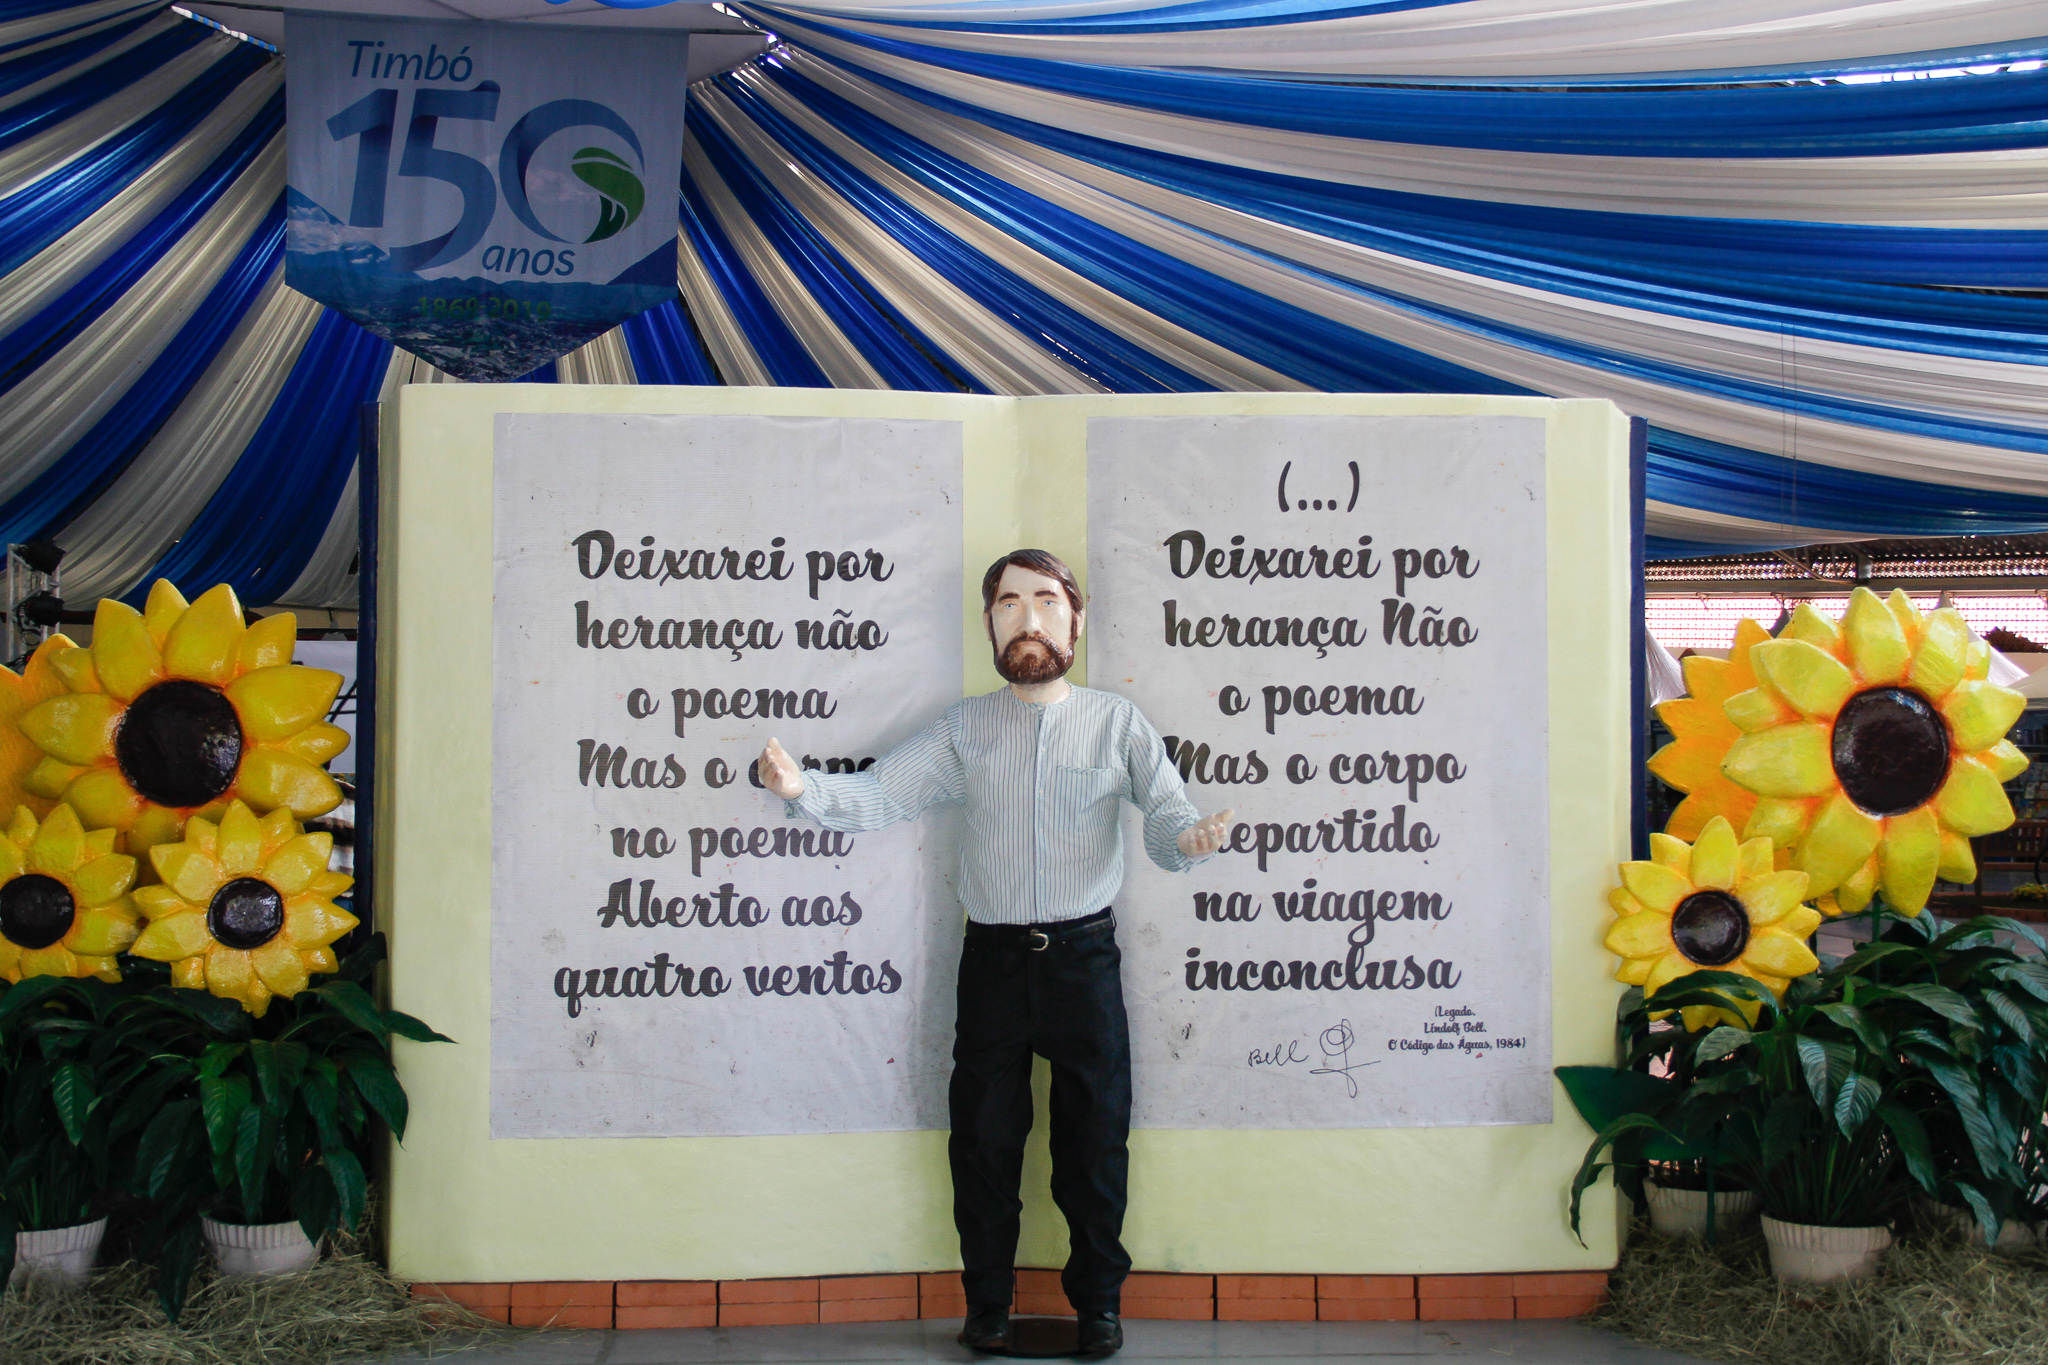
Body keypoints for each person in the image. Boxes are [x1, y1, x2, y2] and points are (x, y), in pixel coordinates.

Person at [758, 549, 1235, 1358]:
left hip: (1085, 960)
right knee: (982, 1142)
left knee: (1096, 1142)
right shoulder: (964, 728)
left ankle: (1099, 1306)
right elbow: (883, 791)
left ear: (1075, 618)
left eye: (1045, 601)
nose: (1028, 620)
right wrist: (805, 790)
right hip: (993, 964)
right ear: (989, 622)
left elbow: (1167, 811)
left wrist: (1187, 840)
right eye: (1009, 604)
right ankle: (986, 1305)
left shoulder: (1117, 723)